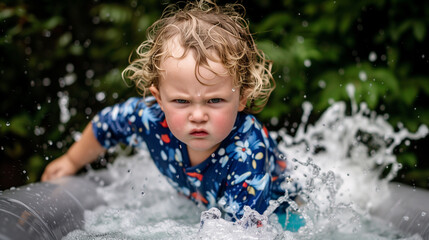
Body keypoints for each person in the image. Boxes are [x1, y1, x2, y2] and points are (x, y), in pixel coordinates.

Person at [41, 0, 301, 223]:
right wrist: (72, 161)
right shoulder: (149, 118)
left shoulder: (246, 149)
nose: (198, 115)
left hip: (283, 212)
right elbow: (105, 125)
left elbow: (245, 231)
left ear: (241, 99)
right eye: (181, 101)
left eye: (214, 101)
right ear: (159, 99)